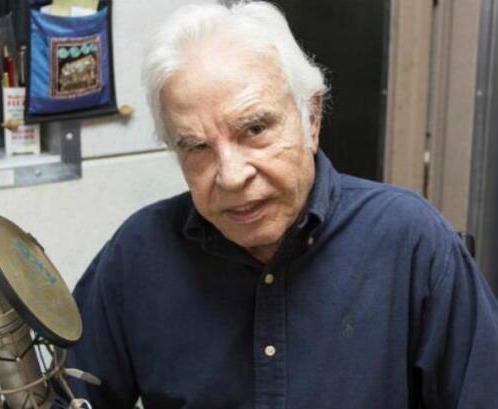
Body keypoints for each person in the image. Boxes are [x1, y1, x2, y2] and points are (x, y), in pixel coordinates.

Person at [65, 1, 498, 408]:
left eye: (255, 129)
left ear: (312, 118)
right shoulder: (139, 254)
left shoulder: (410, 241)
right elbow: (66, 395)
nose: (231, 176)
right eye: (197, 147)